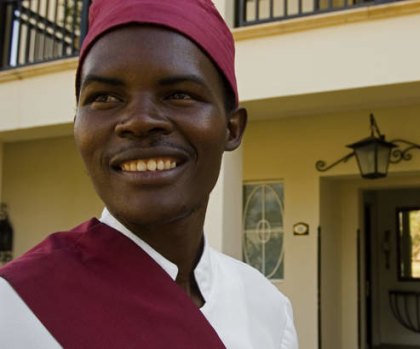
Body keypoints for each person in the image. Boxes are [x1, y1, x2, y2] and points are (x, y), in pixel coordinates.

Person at [0, 0, 298, 348]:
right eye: (105, 98)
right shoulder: (15, 309)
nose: (139, 121)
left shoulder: (266, 308)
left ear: (231, 128)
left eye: (179, 94)